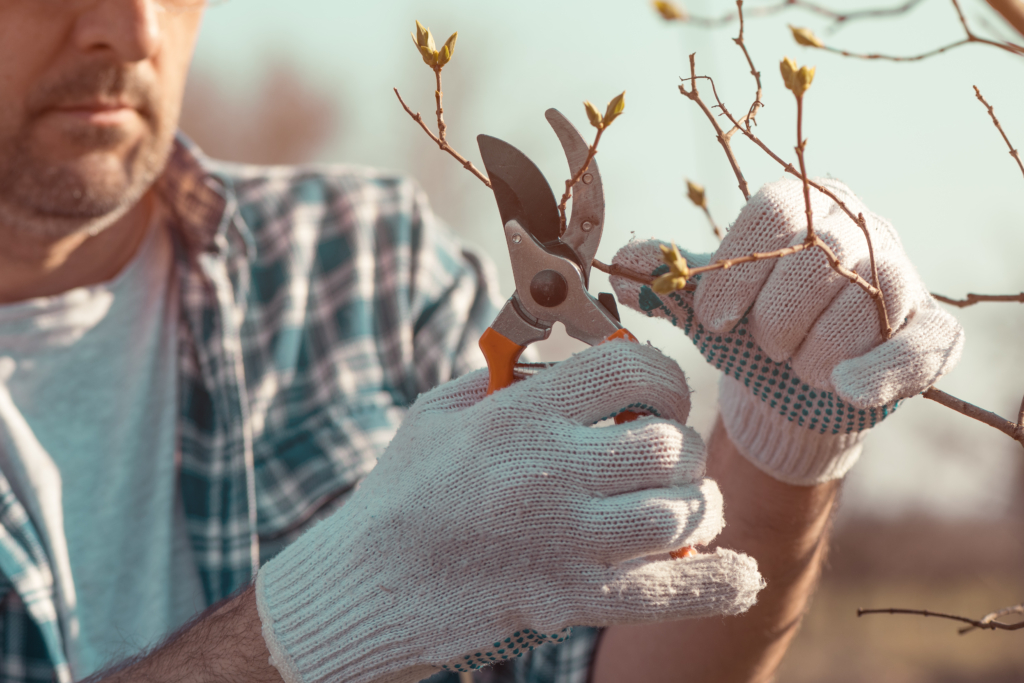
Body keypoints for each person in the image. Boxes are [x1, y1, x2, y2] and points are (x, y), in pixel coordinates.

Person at [0, 2, 964, 683]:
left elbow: (615, 663)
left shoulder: (362, 258)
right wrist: (299, 634)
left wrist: (786, 440)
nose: (132, 28)